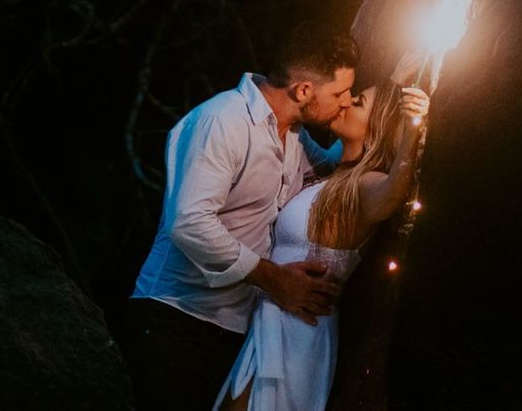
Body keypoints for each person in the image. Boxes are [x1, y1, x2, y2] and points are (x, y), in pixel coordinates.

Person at [122, 21, 360, 411]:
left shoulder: (294, 135)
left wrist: (393, 124)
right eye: (340, 92)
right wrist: (274, 279)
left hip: (233, 329)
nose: (346, 101)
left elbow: (334, 171)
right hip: (175, 320)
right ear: (303, 91)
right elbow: (190, 223)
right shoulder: (222, 121)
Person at [214, 60, 432, 411]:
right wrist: (396, 77)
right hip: (273, 316)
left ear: (377, 129)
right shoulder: (331, 173)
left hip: (300, 331)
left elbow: (394, 191)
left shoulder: (364, 186)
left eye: (357, 102)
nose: (345, 102)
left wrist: (413, 127)